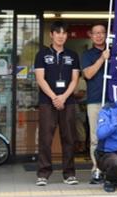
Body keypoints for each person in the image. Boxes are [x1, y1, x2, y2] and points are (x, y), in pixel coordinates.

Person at [33, 21, 81, 186]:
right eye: (58, 33)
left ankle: (69, 173)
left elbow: (75, 79)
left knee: (69, 138)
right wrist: (54, 97)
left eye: (64, 33)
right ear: (51, 35)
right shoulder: (42, 54)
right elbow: (40, 78)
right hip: (47, 101)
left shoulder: (73, 55)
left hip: (68, 102)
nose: (61, 36)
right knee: (45, 138)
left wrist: (64, 97)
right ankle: (43, 173)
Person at [80, 23, 109, 184]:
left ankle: (112, 169)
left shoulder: (114, 52)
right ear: (90, 35)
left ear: (106, 34)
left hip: (113, 101)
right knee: (95, 137)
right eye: (95, 33)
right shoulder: (87, 54)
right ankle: (97, 169)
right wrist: (102, 58)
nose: (99, 36)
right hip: (94, 100)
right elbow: (88, 74)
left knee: (113, 137)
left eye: (102, 32)